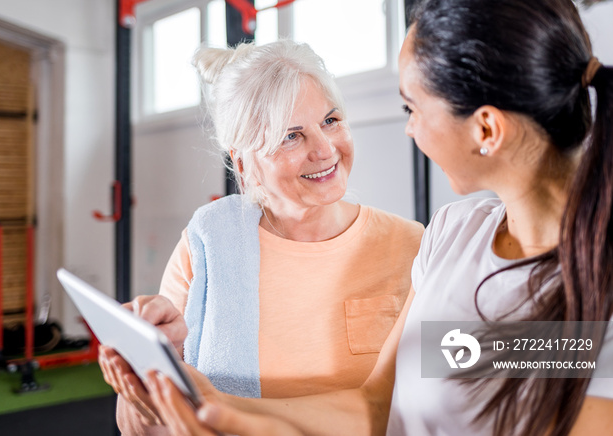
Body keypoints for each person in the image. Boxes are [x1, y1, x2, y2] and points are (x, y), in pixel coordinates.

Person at [136, 0, 613, 435]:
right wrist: (220, 409)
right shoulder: (452, 235)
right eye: (291, 135)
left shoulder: (596, 275)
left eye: (413, 107)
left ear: (486, 128)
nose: (408, 129)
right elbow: (376, 404)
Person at [98, 39, 424, 435]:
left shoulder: (414, 246)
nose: (324, 150)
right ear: (243, 162)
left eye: (331, 121)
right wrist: (146, 380)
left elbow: (467, 381)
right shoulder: (205, 248)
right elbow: (143, 430)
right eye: (291, 136)